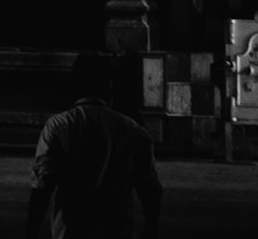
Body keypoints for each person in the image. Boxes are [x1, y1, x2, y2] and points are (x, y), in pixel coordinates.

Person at [26, 52, 162, 239]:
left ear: (75, 86)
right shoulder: (134, 131)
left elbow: (42, 187)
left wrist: (30, 232)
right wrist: (151, 231)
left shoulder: (58, 126)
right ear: (109, 86)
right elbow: (150, 191)